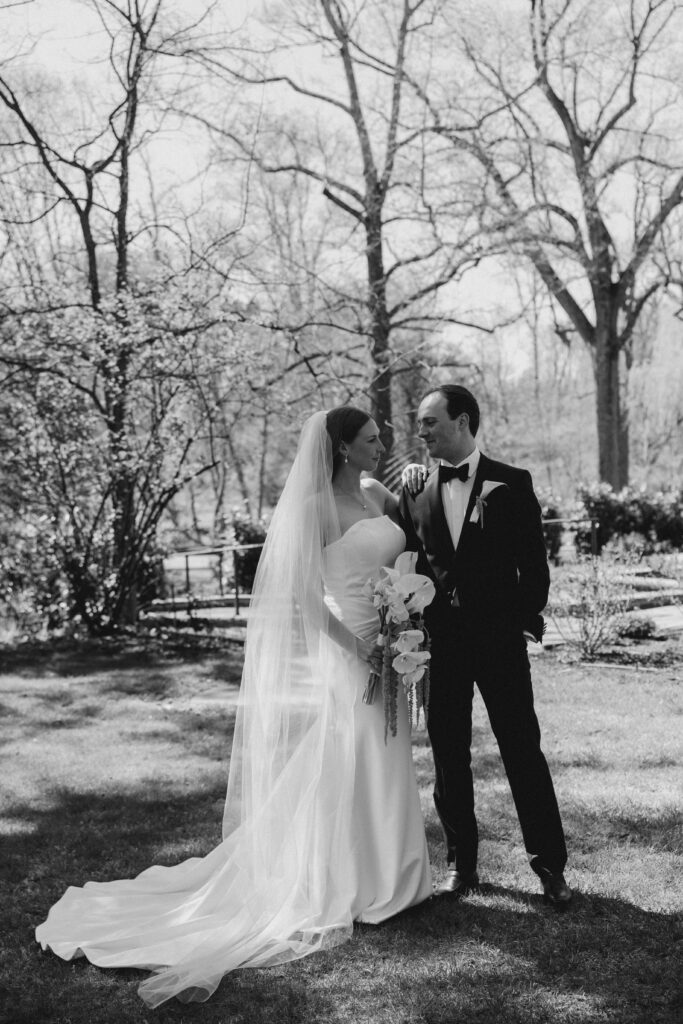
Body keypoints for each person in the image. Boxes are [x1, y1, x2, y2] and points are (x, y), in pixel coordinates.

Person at [35, 406, 432, 1007]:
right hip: (352, 648)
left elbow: (408, 545)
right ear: (342, 447)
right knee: (358, 745)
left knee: (386, 747)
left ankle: (397, 874)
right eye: (371, 439)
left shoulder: (378, 493)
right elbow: (306, 601)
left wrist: (403, 619)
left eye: (380, 437)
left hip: (393, 640)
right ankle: (358, 880)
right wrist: (362, 647)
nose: (382, 446)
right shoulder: (313, 510)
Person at [398, 384, 571, 907]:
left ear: (463, 421)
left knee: (522, 750)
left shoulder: (512, 483)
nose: (421, 432)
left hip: (499, 645)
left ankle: (550, 866)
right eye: (420, 423)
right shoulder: (415, 489)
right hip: (441, 648)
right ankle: (461, 864)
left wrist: (520, 622)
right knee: (449, 755)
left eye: (430, 421)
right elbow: (408, 566)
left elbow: (534, 566)